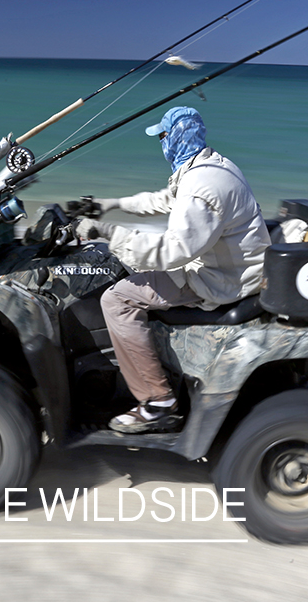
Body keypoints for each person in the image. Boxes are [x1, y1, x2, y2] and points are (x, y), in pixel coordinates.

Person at [75, 106, 270, 434]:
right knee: (132, 261)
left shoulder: (201, 188)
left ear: (177, 137)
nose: (161, 143)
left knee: (117, 299)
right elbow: (166, 199)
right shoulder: (210, 166)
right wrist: (111, 204)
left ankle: (158, 402)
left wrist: (106, 232)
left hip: (221, 280)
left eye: (163, 136)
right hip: (227, 264)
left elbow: (170, 252)